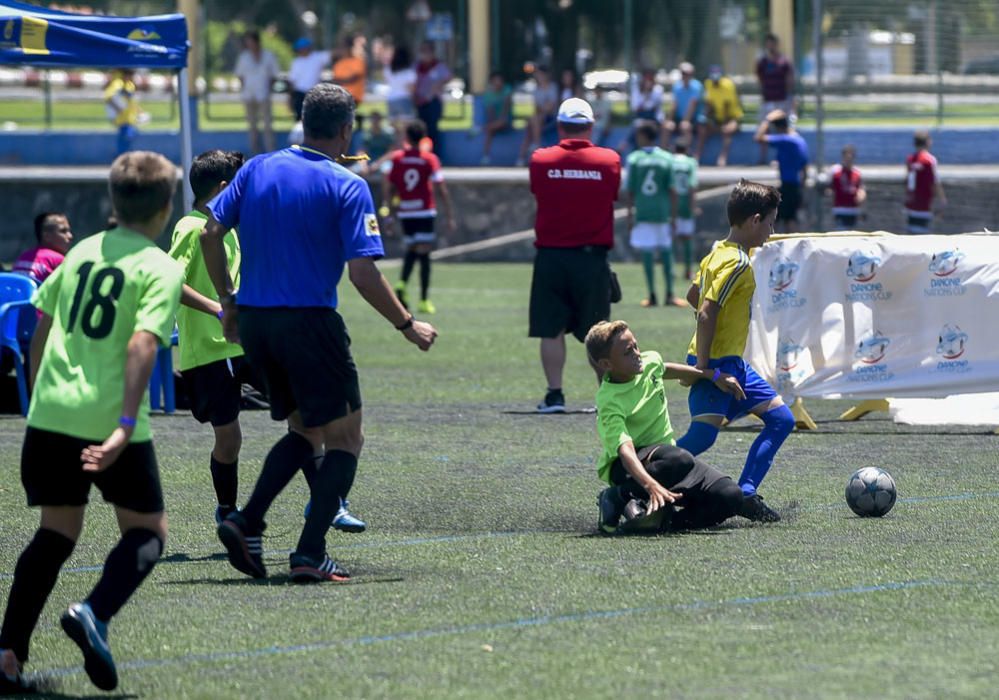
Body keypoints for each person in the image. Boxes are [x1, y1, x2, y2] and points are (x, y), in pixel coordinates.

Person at [201, 83, 438, 584]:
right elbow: (363, 274)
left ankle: (247, 521)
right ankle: (309, 550)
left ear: (304, 121)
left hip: (258, 322)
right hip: (309, 321)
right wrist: (406, 324)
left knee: (305, 431)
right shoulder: (347, 184)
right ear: (347, 129)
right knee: (347, 439)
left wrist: (227, 301)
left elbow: (210, 232)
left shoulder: (257, 167)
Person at [0, 151, 183, 694]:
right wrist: (125, 423)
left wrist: (37, 400)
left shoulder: (80, 252)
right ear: (167, 206)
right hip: (108, 418)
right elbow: (142, 342)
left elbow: (39, 326)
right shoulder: (158, 265)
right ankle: (93, 612)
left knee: (56, 533)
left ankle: (7, 655)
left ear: (112, 200)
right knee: (148, 533)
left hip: (51, 413)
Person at [674, 180, 794, 523]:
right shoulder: (738, 263)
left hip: (733, 363)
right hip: (716, 363)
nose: (771, 232)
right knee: (702, 436)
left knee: (781, 419)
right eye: (770, 223)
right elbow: (707, 309)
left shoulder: (716, 252)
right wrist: (707, 368)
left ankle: (746, 493)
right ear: (755, 220)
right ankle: (640, 476)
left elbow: (693, 295)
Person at [587, 320, 748, 534]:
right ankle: (619, 496)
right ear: (607, 364)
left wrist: (712, 375)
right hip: (628, 467)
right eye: (628, 352)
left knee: (731, 496)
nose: (637, 353)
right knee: (679, 459)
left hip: (668, 462)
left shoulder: (649, 361)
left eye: (636, 345)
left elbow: (664, 369)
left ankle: (665, 521)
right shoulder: (608, 400)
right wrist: (649, 485)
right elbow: (625, 450)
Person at [529, 98, 621, 413]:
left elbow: (539, 192)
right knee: (599, 331)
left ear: (559, 125)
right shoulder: (609, 160)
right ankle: (606, 396)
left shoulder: (541, 159)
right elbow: (612, 195)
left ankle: (555, 394)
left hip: (551, 257)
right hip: (591, 258)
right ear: (591, 126)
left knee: (550, 328)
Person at [385, 119, 456, 315]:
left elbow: (391, 189)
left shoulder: (398, 159)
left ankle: (401, 283)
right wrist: (449, 214)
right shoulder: (429, 159)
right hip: (424, 210)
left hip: (406, 212)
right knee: (424, 253)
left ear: (407, 137)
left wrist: (389, 215)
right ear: (423, 137)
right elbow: (440, 187)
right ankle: (424, 299)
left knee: (412, 248)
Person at [625, 120, 678, 308]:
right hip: (662, 212)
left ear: (642, 136)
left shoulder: (634, 159)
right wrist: (673, 216)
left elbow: (630, 190)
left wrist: (630, 215)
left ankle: (652, 295)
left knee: (647, 252)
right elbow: (672, 190)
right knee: (666, 252)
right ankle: (670, 294)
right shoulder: (667, 159)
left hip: (643, 212)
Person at [754, 109, 808, 232]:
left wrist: (767, 119)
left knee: (779, 221)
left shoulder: (786, 139)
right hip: (795, 186)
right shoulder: (799, 140)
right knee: (789, 218)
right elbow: (805, 168)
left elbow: (758, 138)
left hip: (788, 185)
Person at [234, 30, 279, 154]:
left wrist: (268, 89)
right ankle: (255, 152)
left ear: (257, 41)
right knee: (252, 126)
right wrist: (245, 88)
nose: (249, 44)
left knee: (267, 125)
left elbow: (274, 75)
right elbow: (240, 76)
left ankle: (271, 151)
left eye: (250, 41)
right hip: (249, 95)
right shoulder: (244, 57)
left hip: (263, 94)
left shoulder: (269, 56)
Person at [756, 34, 795, 164]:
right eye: (768, 43)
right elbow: (760, 78)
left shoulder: (784, 61)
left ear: (776, 45)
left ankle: (780, 157)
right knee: (764, 126)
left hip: (781, 100)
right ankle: (762, 157)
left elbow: (789, 80)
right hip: (767, 100)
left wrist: (788, 98)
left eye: (772, 43)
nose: (770, 46)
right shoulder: (763, 62)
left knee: (781, 129)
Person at [699, 64, 743, 166]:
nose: (714, 76)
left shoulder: (728, 84)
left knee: (727, 130)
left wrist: (724, 123)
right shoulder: (708, 83)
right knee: (702, 128)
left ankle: (723, 157)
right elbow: (709, 103)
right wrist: (707, 118)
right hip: (718, 117)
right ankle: (698, 155)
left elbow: (727, 106)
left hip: (732, 117)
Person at [904, 131, 946, 234]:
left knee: (911, 232)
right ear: (928, 142)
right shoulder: (929, 160)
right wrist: (942, 200)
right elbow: (935, 182)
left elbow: (907, 181)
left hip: (911, 201)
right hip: (925, 202)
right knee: (922, 235)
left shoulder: (910, 159)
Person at [13, 212, 73, 284]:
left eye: (69, 231)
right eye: (63, 231)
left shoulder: (22, 257)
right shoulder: (58, 260)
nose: (70, 236)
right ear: (46, 236)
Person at [414, 41, 452, 153]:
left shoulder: (438, 66)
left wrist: (439, 84)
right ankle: (421, 153)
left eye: (428, 51)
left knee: (433, 129)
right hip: (420, 102)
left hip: (434, 102)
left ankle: (435, 154)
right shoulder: (417, 66)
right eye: (423, 51)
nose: (426, 54)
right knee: (421, 130)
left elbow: (448, 77)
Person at [517, 66, 558, 166]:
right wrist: (541, 108)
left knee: (532, 122)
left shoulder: (553, 87)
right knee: (531, 125)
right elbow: (535, 106)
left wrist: (542, 108)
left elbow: (550, 107)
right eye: (537, 74)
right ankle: (533, 148)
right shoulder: (536, 89)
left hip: (551, 117)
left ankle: (532, 150)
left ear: (546, 75)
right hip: (539, 117)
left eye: (540, 74)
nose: (539, 76)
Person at [671, 140, 700, 281]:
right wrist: (693, 205)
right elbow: (692, 185)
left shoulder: (669, 161)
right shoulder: (690, 163)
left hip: (671, 206)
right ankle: (688, 271)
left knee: (671, 239)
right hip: (685, 204)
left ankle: (670, 270)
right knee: (687, 239)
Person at [619, 69, 664, 152]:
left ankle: (623, 145)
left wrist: (648, 94)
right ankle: (633, 150)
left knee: (641, 127)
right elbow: (636, 108)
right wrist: (646, 94)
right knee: (637, 126)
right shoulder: (636, 90)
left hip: (654, 118)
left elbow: (653, 107)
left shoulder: (658, 90)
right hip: (641, 117)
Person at [663, 62, 704, 150]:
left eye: (688, 74)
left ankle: (685, 154)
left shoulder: (697, 86)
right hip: (679, 118)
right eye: (683, 73)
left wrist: (685, 121)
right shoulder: (676, 86)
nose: (685, 76)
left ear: (692, 74)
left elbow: (692, 106)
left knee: (685, 127)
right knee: (666, 126)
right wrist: (669, 120)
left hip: (693, 119)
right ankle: (664, 153)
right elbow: (674, 104)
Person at [288, 38, 330, 122]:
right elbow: (292, 81)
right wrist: (290, 98)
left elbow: (334, 54)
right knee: (300, 118)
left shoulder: (318, 57)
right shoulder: (296, 62)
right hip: (299, 93)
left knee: (315, 119)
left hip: (314, 92)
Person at [104, 69, 143, 156]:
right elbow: (108, 97)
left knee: (129, 140)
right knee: (125, 140)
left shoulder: (130, 85)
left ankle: (125, 158)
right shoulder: (118, 84)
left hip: (131, 118)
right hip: (122, 118)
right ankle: (122, 159)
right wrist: (117, 109)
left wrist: (139, 110)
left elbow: (132, 101)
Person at [828, 145, 866, 230]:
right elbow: (829, 187)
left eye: (851, 158)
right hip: (840, 209)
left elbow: (861, 188)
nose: (848, 160)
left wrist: (861, 195)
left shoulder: (857, 173)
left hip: (853, 210)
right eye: (846, 157)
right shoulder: (835, 171)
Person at [480, 71, 513, 165]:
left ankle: (481, 129)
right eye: (495, 81)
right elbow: (490, 112)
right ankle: (485, 156)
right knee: (490, 130)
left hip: (507, 121)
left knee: (499, 123)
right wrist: (494, 122)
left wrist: (499, 120)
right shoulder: (488, 94)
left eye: (500, 81)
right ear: (492, 82)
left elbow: (505, 110)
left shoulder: (507, 90)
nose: (498, 83)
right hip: (494, 123)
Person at [333, 34, 367, 108]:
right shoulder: (338, 64)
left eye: (344, 47)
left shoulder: (358, 61)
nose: (341, 49)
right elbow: (336, 81)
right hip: (340, 97)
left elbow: (354, 78)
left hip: (354, 97)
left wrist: (341, 81)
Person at [385, 45, 416, 120]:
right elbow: (411, 89)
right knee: (406, 125)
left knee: (395, 125)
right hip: (404, 99)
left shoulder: (388, 69)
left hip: (391, 99)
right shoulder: (409, 72)